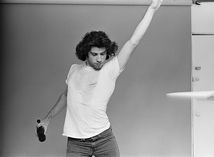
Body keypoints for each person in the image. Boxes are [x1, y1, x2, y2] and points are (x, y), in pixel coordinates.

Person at [37, 0, 163, 156]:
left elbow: (133, 42)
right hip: (77, 143)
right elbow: (65, 96)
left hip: (104, 138)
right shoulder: (74, 70)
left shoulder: (110, 70)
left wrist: (151, 9)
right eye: (94, 54)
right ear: (86, 53)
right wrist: (47, 119)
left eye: (102, 54)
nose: (99, 59)